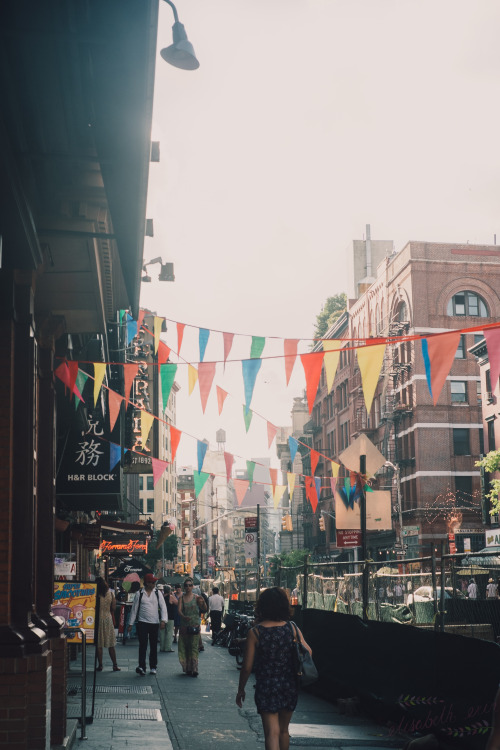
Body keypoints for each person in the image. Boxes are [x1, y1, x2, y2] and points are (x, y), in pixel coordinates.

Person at [236, 586, 312, 750]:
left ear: (262, 606)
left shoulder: (255, 632)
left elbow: (247, 667)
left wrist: (241, 689)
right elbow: (309, 652)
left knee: (271, 732)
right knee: (284, 731)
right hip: (289, 685)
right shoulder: (292, 628)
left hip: (267, 686)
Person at [127, 573, 168, 676]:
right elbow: (134, 609)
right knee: (143, 645)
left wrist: (163, 620)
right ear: (147, 583)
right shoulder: (139, 594)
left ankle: (153, 666)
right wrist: (130, 623)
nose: (154, 584)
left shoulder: (158, 593)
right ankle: (142, 666)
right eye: (153, 582)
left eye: (155, 582)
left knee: (153, 646)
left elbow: (163, 607)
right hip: (142, 623)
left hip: (154, 623)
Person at [177, 577, 207, 677]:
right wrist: (183, 616)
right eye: (186, 585)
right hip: (184, 627)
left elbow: (204, 609)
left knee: (194, 647)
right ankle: (187, 668)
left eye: (190, 585)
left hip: (194, 626)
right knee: (185, 647)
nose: (188, 587)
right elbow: (179, 610)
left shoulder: (197, 597)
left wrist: (203, 603)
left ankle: (194, 668)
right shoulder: (181, 598)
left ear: (192, 586)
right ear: (184, 587)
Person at [96, 577, 120, 672]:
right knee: (111, 644)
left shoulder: (96, 595)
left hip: (98, 619)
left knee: (99, 644)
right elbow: (113, 608)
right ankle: (115, 665)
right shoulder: (111, 594)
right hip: (107, 618)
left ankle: (100, 665)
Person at [159, 585, 177, 653]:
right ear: (169, 590)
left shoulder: (161, 597)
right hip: (170, 617)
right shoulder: (171, 597)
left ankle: (162, 647)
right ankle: (167, 647)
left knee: (162, 632)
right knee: (169, 632)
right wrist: (173, 595)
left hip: (161, 617)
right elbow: (177, 603)